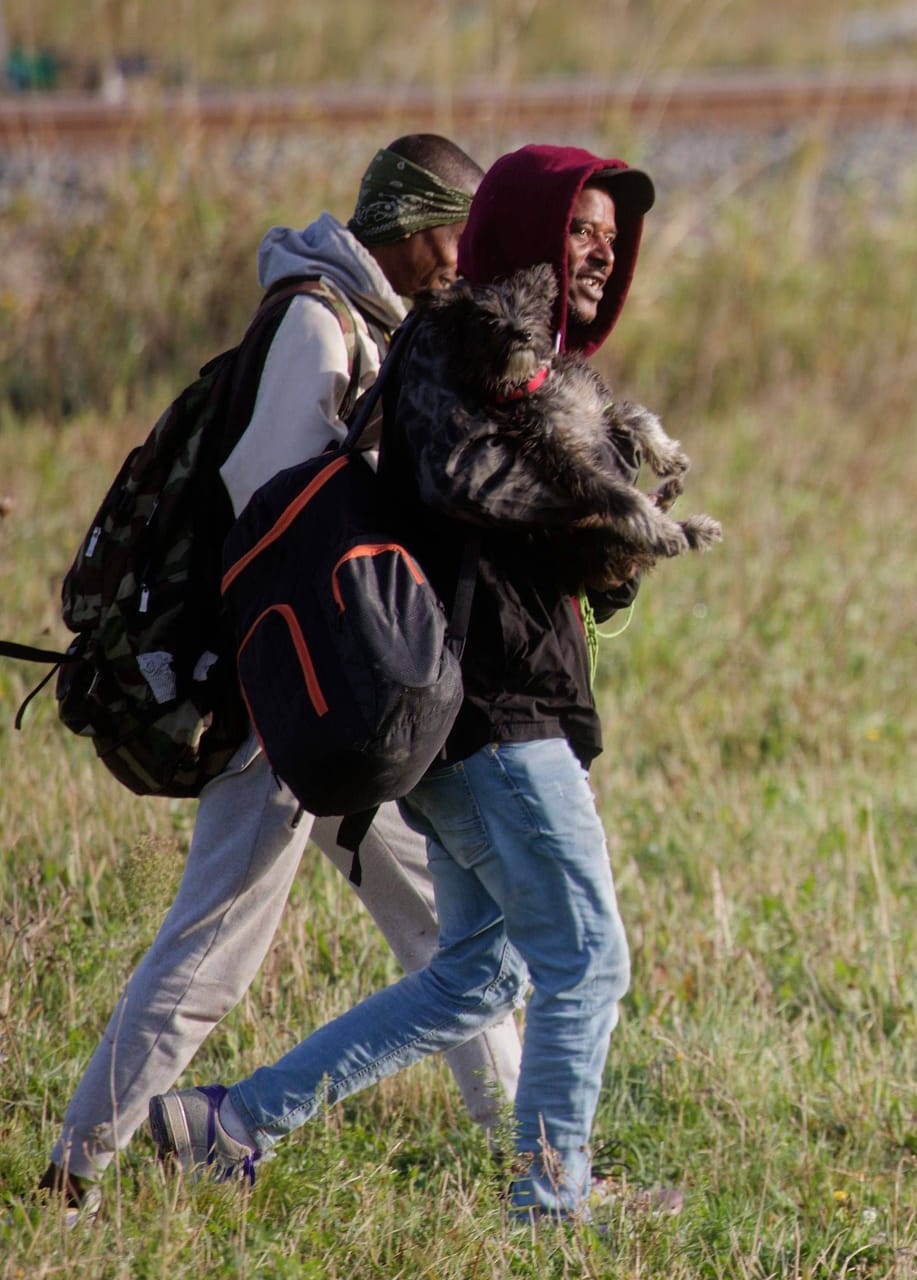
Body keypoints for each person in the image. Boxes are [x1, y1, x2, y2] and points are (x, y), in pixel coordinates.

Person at [148, 144, 668, 1222]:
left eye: (612, 245)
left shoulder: (532, 360)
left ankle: (231, 1124)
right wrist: (596, 505)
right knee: (588, 959)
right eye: (580, 230)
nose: (597, 259)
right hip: (488, 711)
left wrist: (611, 535)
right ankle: (554, 1202)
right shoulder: (453, 341)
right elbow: (461, 482)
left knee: (480, 974)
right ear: (525, 225)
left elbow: (538, 538)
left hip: (499, 710)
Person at [39, 135, 523, 1220]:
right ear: (408, 228)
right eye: (459, 233)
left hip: (343, 694)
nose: (467, 257)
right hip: (289, 695)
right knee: (216, 941)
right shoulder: (318, 321)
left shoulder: (371, 325)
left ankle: (542, 1164)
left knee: (451, 935)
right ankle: (74, 1170)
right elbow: (274, 498)